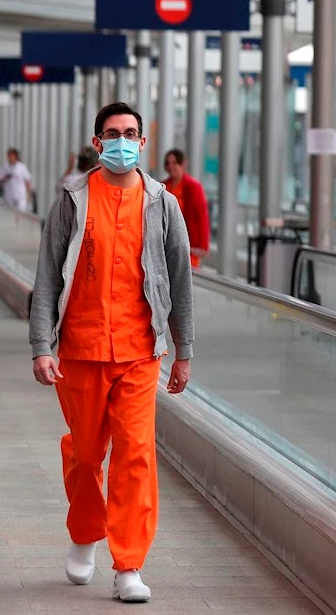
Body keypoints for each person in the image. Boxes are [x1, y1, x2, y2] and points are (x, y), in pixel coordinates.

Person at [28, 102, 195, 603]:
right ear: (98, 144)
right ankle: (84, 532)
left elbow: (180, 279)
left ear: (142, 142)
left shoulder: (162, 203)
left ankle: (129, 564)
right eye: (112, 134)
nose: (122, 141)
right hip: (79, 348)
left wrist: (182, 349)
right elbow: (46, 273)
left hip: (141, 350)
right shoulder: (72, 200)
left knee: (136, 454)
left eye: (130, 133)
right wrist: (41, 344)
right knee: (85, 456)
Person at [163, 148, 211, 269]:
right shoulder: (162, 186)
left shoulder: (193, 187)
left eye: (175, 163)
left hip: (190, 244)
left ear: (183, 164)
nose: (171, 166)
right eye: (168, 163)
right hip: (168, 241)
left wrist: (203, 245)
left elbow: (202, 216)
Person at [0, 147, 33, 212]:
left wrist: (29, 197)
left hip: (20, 196)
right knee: (9, 214)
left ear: (15, 156)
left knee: (20, 214)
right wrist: (6, 178)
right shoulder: (5, 167)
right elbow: (0, 180)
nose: (9, 158)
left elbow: (28, 182)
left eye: (11, 156)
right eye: (8, 156)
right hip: (9, 196)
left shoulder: (22, 167)